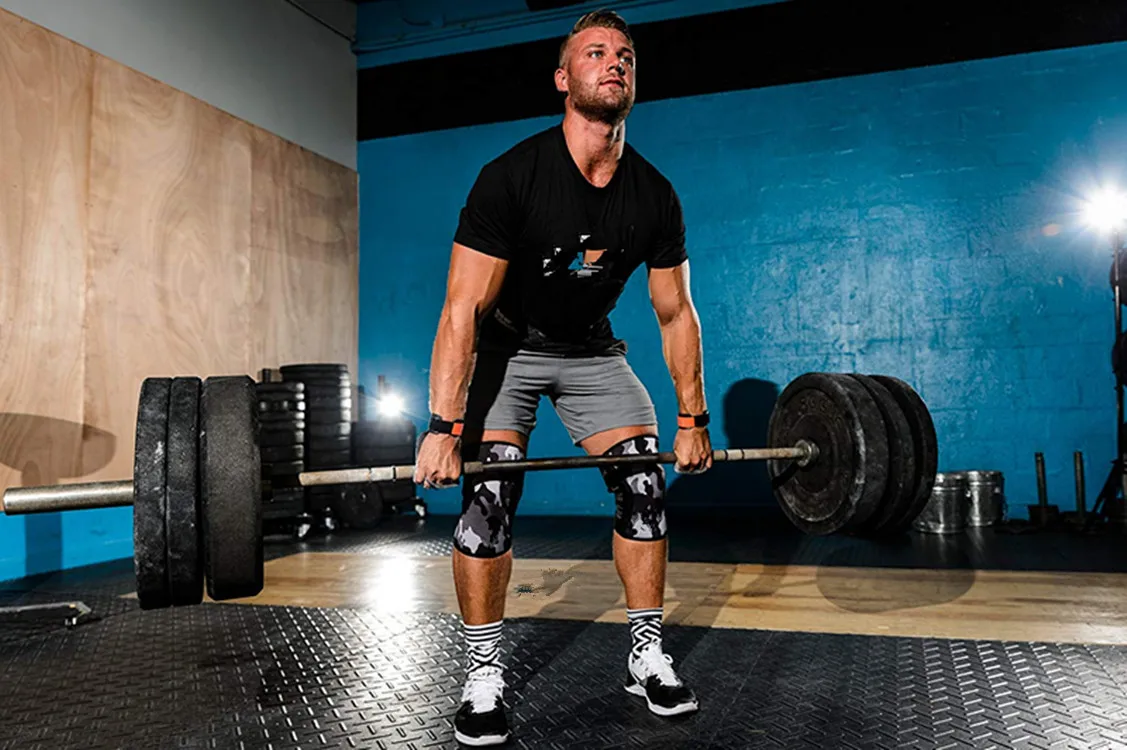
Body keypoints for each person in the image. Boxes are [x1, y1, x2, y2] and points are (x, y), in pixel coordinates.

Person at [412, 9, 712, 746]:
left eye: (625, 55)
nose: (614, 63)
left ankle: (646, 654)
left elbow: (676, 313)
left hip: (590, 351)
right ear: (562, 78)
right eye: (595, 52)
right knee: (490, 495)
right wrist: (444, 427)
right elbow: (462, 309)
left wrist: (692, 419)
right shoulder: (512, 178)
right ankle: (483, 672)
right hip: (506, 350)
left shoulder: (654, 194)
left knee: (644, 483)